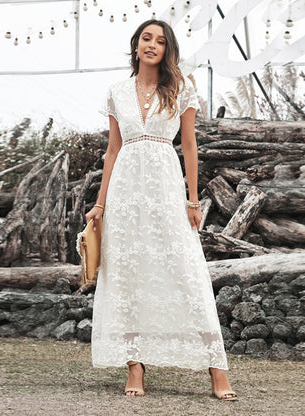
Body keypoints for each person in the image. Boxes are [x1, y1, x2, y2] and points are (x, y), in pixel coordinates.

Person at [85, 18, 237, 401]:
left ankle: (217, 369)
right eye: (146, 38)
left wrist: (192, 199)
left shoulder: (181, 87)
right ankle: (135, 365)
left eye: (160, 41)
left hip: (166, 187)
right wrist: (100, 204)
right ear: (136, 44)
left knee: (186, 269)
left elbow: (189, 146)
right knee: (128, 274)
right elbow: (113, 150)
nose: (152, 45)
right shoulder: (117, 91)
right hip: (124, 191)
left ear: (168, 49)